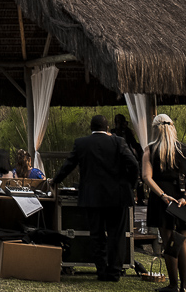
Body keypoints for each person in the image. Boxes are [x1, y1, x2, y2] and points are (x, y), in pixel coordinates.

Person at [50, 115, 139, 283]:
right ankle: (114, 272)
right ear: (107, 128)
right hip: (117, 196)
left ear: (91, 128)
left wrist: (55, 180)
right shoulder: (118, 142)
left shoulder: (82, 143)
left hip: (92, 196)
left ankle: (101, 270)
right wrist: (131, 184)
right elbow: (133, 164)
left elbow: (68, 165)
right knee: (117, 235)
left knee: (96, 234)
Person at [142, 113, 186, 292]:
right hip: (182, 198)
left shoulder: (150, 150)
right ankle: (183, 285)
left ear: (155, 129)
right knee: (181, 241)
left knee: (168, 241)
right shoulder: (185, 150)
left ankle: (174, 284)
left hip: (163, 200)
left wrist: (162, 195)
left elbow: (146, 177)